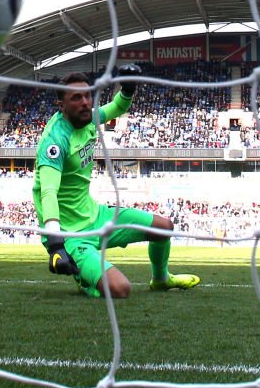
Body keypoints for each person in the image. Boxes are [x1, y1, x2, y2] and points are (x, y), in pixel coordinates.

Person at [33, 66, 199, 298]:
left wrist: (128, 88)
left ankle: (161, 279)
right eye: (76, 98)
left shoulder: (88, 118)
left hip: (96, 216)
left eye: (88, 95)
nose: (85, 102)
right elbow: (48, 192)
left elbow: (118, 107)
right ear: (61, 105)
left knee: (164, 227)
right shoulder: (55, 141)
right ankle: (83, 276)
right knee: (121, 289)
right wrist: (55, 243)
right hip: (70, 234)